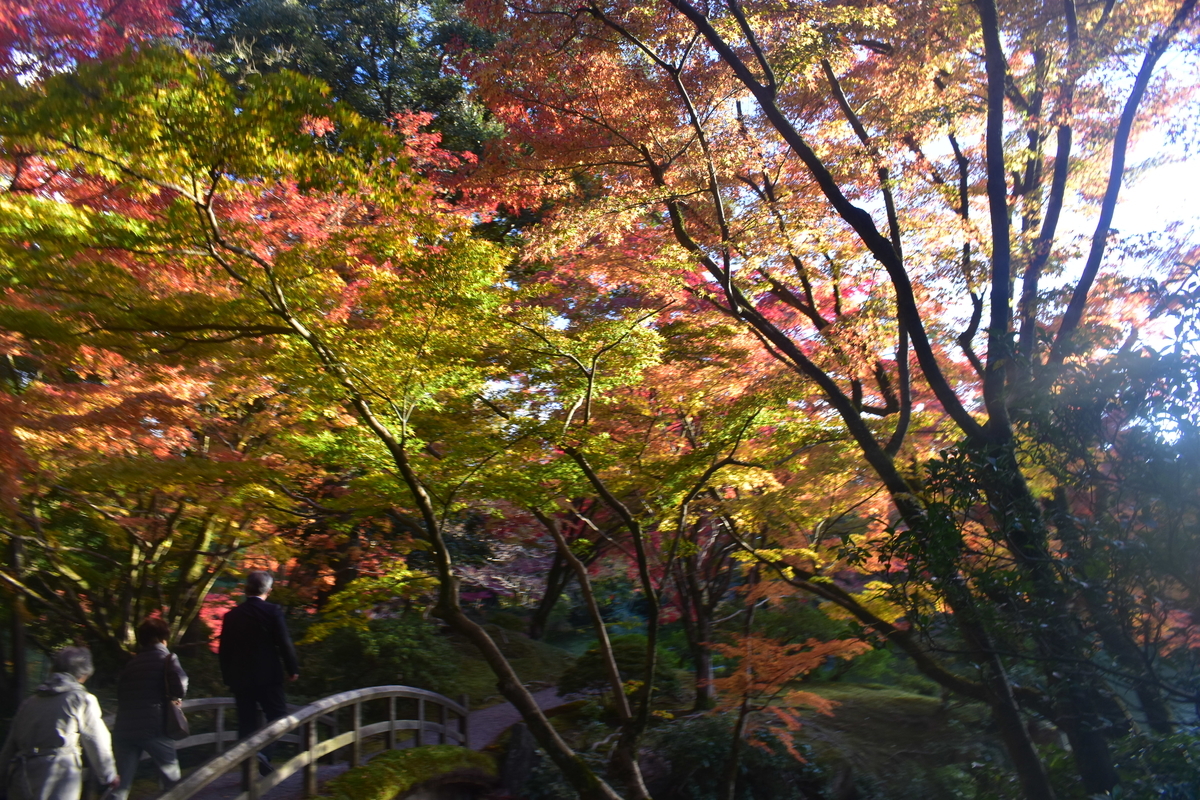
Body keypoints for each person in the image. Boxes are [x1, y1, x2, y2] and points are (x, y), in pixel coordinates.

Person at [0, 647, 118, 800]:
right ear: (84, 674)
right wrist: (109, 775)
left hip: (21, 777)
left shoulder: (29, 702)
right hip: (58, 776)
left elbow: (10, 746)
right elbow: (96, 739)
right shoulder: (81, 699)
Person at [218, 571, 298, 775]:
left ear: (246, 589)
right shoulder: (272, 611)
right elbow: (284, 643)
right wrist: (292, 669)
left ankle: (247, 770)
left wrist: (227, 676)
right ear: (268, 591)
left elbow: (224, 649)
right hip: (268, 675)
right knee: (279, 716)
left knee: (246, 723)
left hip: (240, 678)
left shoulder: (231, 615)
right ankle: (263, 753)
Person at [110, 618, 188, 800]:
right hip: (154, 728)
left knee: (121, 786)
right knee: (173, 782)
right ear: (163, 639)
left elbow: (121, 694)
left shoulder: (131, 664)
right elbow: (180, 688)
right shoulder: (168, 658)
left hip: (124, 729)